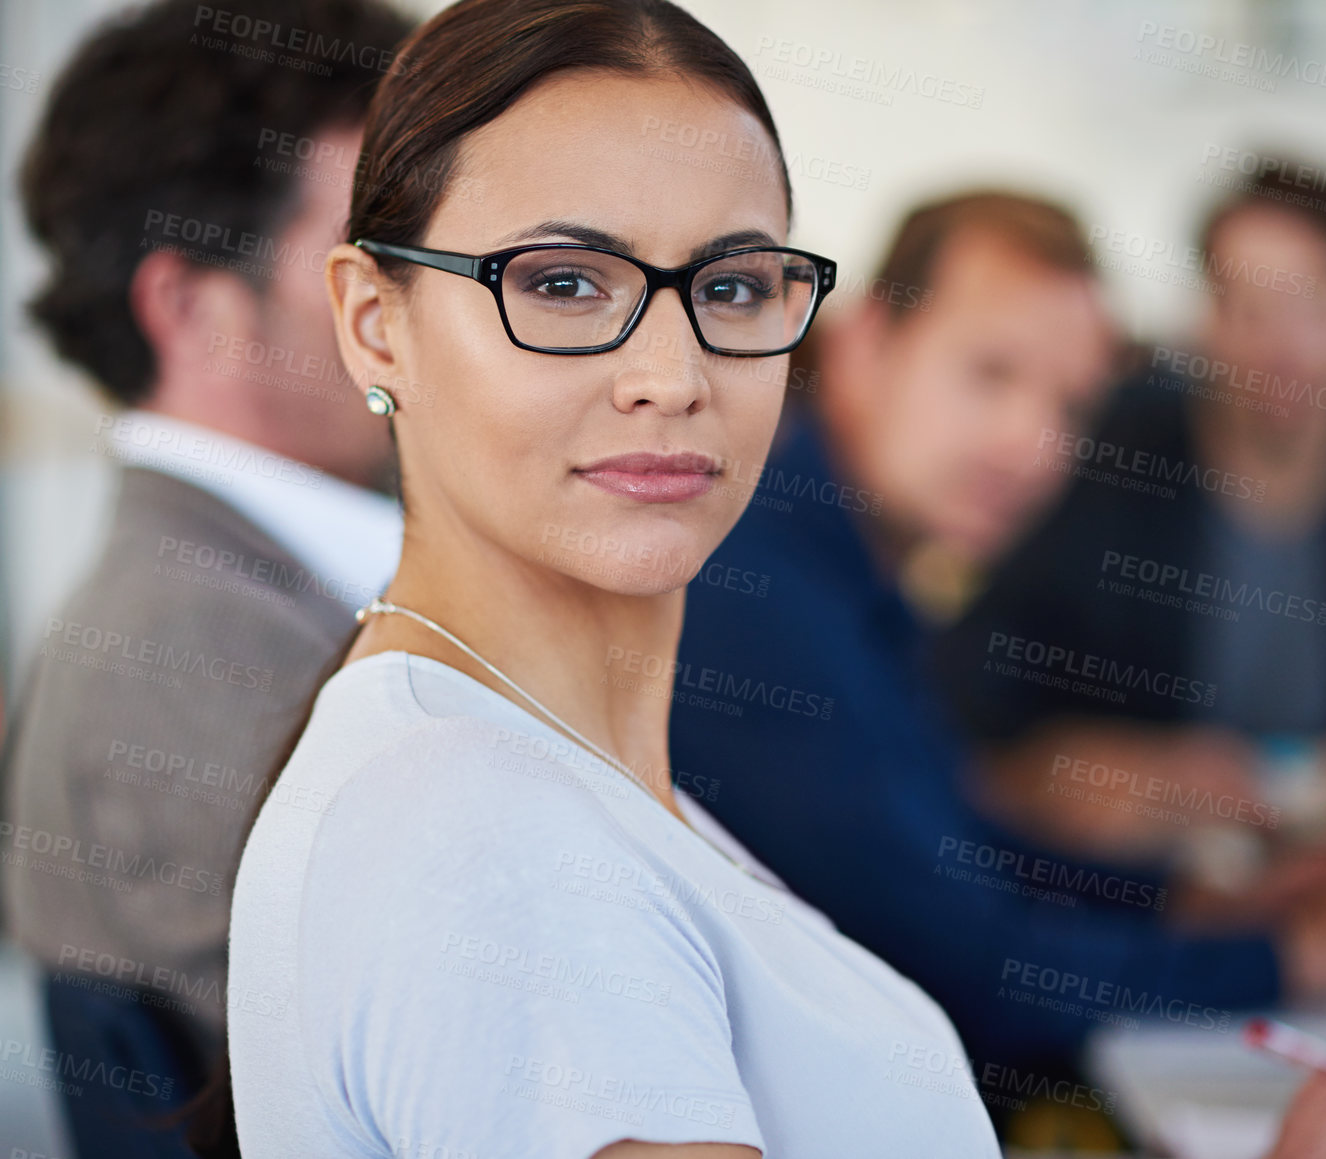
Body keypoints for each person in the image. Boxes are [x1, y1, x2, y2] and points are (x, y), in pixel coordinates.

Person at [225, 0, 1011, 1154]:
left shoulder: (549, 772)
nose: (671, 374)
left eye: (733, 289)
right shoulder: (483, 830)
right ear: (373, 324)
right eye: (562, 283)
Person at [667, 191, 1326, 1075]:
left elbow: (956, 844)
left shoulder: (843, 566)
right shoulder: (758, 591)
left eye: (1071, 406)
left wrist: (1187, 902)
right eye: (991, 374)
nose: (1034, 446)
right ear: (862, 346)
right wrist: (1289, 957)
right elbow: (972, 970)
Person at [0, 2, 411, 1155]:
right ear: (190, 307)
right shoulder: (186, 649)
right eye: (366, 257)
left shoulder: (278, 591)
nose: (428, 302)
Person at [936, 165, 1326, 870]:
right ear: (1205, 323)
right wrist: (1099, 763)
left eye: (1314, 304)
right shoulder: (1109, 465)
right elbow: (969, 687)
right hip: (1164, 892)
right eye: (1247, 306)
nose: (1282, 348)